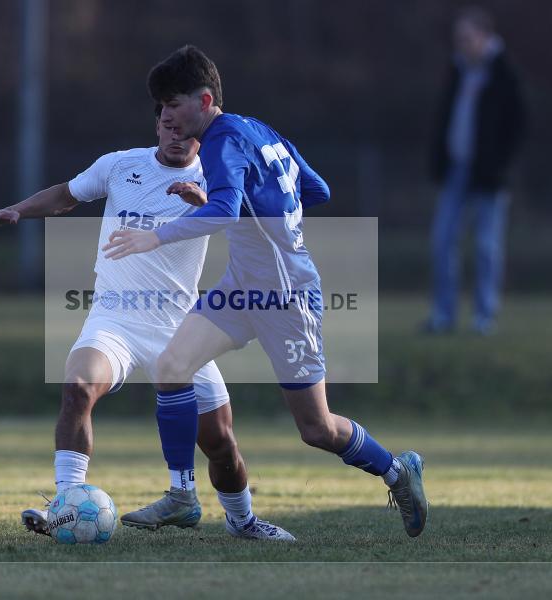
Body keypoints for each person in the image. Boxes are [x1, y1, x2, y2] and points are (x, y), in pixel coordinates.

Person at [103, 45, 428, 538]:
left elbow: (229, 212)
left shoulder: (220, 140)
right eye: (162, 107)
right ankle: (182, 494)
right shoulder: (260, 130)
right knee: (170, 367)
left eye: (173, 104)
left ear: (205, 99)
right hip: (241, 288)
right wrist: (240, 205)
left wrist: (158, 234)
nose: (166, 116)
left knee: (316, 430)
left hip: (287, 298)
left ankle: (397, 471)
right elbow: (316, 190)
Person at [0, 108, 294, 540]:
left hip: (182, 327)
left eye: (184, 131)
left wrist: (207, 205)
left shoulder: (217, 175)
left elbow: (245, 227)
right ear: (157, 125)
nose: (175, 137)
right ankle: (65, 505)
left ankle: (244, 521)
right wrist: (17, 210)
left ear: (199, 133)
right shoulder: (120, 165)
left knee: (219, 442)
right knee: (77, 388)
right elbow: (67, 194)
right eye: (167, 127)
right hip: (115, 317)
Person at [424, 6, 526, 335]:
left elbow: (518, 125)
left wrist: (499, 165)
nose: (462, 44)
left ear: (484, 37)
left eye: (467, 38)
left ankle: (484, 316)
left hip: (488, 176)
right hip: (456, 170)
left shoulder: (503, 75)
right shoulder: (457, 72)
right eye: (458, 39)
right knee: (442, 241)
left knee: (486, 246)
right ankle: (444, 316)